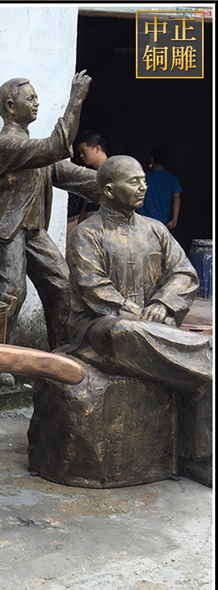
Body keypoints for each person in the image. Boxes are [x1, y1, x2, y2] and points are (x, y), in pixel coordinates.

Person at [65, 155, 212, 484]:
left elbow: (184, 274)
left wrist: (162, 303)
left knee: (199, 371)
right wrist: (140, 317)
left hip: (152, 327)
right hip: (100, 328)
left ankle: (200, 459)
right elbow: (94, 289)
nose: (143, 186)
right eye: (134, 181)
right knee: (125, 330)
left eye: (143, 179)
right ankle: (202, 356)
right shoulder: (86, 234)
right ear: (109, 190)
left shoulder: (155, 229)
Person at [0, 71, 102, 354]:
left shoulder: (32, 149)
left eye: (36, 98)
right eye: (30, 98)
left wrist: (108, 182)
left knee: (63, 287)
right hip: (5, 231)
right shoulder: (8, 145)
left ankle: (61, 357)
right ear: (10, 106)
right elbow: (55, 148)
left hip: (32, 232)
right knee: (11, 295)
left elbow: (68, 174)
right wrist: (76, 100)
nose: (36, 103)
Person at [137, 144, 182, 229]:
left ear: (152, 159)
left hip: (142, 220)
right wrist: (174, 220)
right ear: (167, 160)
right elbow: (177, 199)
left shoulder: (142, 176)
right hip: (163, 223)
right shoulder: (172, 178)